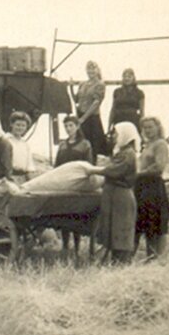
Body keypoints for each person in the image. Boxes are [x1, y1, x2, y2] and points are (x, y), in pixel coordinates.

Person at [83, 122, 140, 264]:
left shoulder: (128, 154)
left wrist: (94, 170)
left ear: (125, 135)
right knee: (112, 228)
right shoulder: (121, 152)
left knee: (120, 228)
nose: (113, 136)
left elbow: (114, 170)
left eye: (116, 133)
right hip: (113, 194)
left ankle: (122, 262)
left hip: (120, 196)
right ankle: (116, 260)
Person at [54, 115, 94, 260]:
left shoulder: (85, 144)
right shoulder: (63, 145)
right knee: (64, 216)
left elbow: (88, 165)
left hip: (77, 185)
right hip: (64, 185)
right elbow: (57, 166)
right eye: (66, 126)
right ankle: (65, 246)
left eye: (71, 125)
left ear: (77, 126)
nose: (68, 129)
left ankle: (76, 248)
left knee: (76, 216)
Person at [134, 116, 169, 260]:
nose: (148, 130)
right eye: (145, 128)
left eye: (150, 127)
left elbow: (159, 167)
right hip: (142, 186)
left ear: (157, 128)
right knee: (140, 221)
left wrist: (138, 174)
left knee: (153, 223)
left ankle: (153, 258)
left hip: (153, 187)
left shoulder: (160, 144)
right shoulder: (148, 145)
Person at [73, 60, 108, 156]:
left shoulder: (100, 84)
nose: (90, 71)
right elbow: (76, 100)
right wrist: (71, 87)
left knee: (93, 145)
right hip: (80, 115)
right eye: (88, 68)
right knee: (81, 143)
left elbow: (96, 103)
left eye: (93, 68)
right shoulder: (82, 84)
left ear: (97, 70)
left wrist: (84, 118)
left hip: (92, 117)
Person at [5, 111, 34, 183]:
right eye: (18, 125)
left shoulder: (25, 144)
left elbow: (29, 165)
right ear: (12, 124)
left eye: (23, 125)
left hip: (23, 178)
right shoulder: (5, 140)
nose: (20, 128)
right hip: (9, 177)